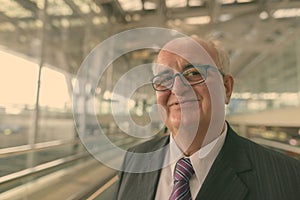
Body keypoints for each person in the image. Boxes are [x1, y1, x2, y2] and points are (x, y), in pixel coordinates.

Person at [114, 35, 300, 200]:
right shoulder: (136, 160)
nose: (178, 88)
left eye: (194, 73)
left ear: (226, 88)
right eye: (164, 79)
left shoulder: (288, 177)